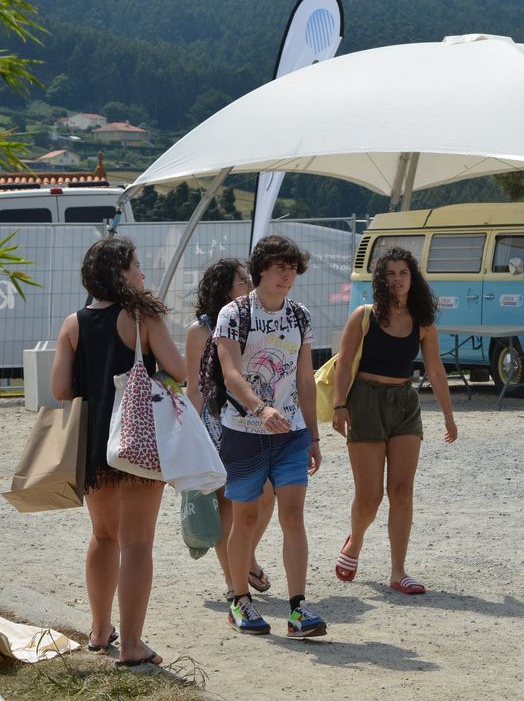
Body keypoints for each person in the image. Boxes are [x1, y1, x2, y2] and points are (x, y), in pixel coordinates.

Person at [50, 236, 187, 669]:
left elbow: (59, 389)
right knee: (139, 543)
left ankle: (98, 630)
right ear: (120, 272)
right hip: (138, 440)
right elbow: (179, 371)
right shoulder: (141, 316)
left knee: (103, 536)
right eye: (136, 265)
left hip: (96, 445)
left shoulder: (72, 323)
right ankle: (131, 645)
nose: (142, 273)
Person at [214, 235, 326, 638]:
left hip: (292, 432)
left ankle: (298, 608)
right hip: (244, 430)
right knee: (244, 518)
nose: (288, 275)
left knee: (293, 515)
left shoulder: (299, 315)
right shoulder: (233, 313)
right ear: (261, 268)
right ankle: (239, 600)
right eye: (280, 267)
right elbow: (230, 374)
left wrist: (313, 435)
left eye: (293, 268)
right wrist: (261, 409)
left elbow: (304, 378)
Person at [330, 246, 457, 595]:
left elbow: (435, 370)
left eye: (404, 273)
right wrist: (340, 406)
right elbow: (343, 362)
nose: (398, 280)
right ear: (380, 279)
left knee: (401, 490)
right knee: (369, 495)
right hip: (366, 401)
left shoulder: (423, 321)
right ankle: (354, 543)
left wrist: (448, 414)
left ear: (412, 278)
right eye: (391, 274)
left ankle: (398, 571)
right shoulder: (364, 315)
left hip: (405, 402)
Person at [184, 258, 277, 603]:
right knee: (229, 505)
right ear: (224, 287)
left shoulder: (256, 321)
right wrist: (189, 437)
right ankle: (233, 580)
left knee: (266, 494)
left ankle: (245, 557)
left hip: (252, 419)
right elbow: (193, 387)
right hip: (215, 422)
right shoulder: (200, 330)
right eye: (243, 280)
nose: (250, 285)